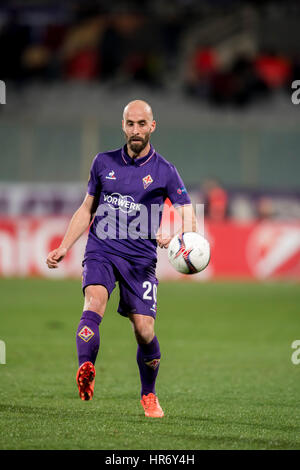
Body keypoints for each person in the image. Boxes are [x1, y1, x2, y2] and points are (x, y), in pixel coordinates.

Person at [46, 100, 197, 418]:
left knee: (144, 331)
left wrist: (182, 238)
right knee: (93, 302)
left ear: (152, 126)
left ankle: (149, 394)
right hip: (102, 248)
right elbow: (87, 208)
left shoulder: (165, 171)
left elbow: (186, 210)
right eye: (131, 124)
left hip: (141, 260)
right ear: (123, 125)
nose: (136, 130)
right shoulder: (103, 163)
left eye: (142, 124)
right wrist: (65, 245)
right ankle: (86, 367)